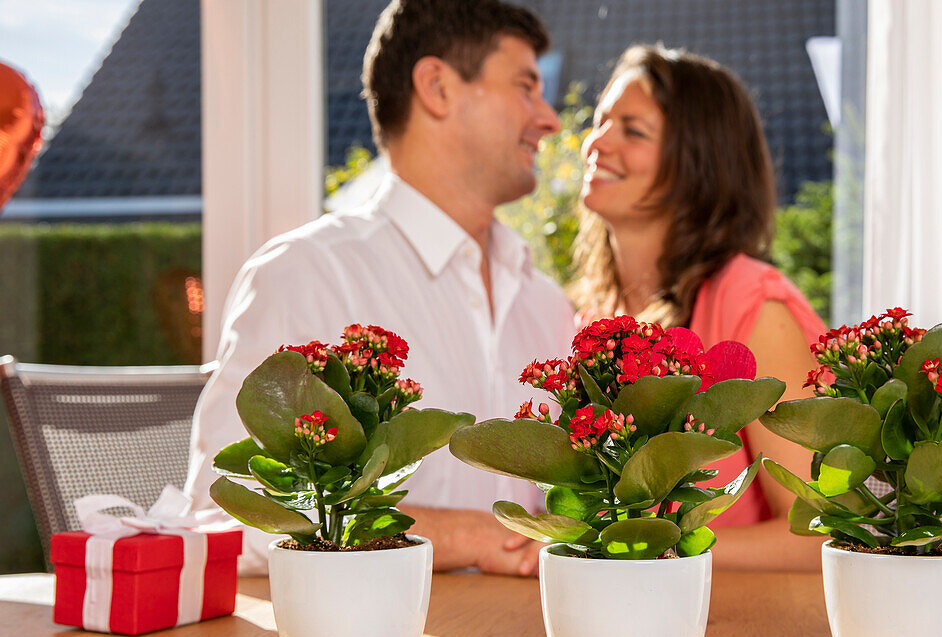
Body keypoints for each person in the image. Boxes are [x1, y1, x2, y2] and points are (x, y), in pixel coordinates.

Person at [186, 0, 574, 576]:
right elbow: (223, 516)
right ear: (437, 87)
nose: (549, 119)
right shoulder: (307, 275)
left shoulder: (546, 304)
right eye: (525, 87)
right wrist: (455, 535)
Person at [571, 45, 827, 571]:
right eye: (600, 122)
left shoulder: (753, 305)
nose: (598, 142)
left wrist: (650, 552)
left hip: (748, 635)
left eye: (633, 131)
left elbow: (818, 532)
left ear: (698, 162)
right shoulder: (590, 316)